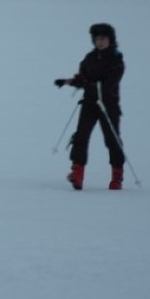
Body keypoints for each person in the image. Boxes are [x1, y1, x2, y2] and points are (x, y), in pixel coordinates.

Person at [54, 24, 126, 191]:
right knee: (81, 136)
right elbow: (82, 78)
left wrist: (88, 84)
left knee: (112, 139)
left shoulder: (116, 60)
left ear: (110, 40)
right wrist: (67, 82)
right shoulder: (90, 58)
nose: (100, 42)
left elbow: (108, 84)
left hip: (108, 105)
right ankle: (77, 173)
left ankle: (117, 175)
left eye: (103, 39)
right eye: (97, 39)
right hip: (89, 104)